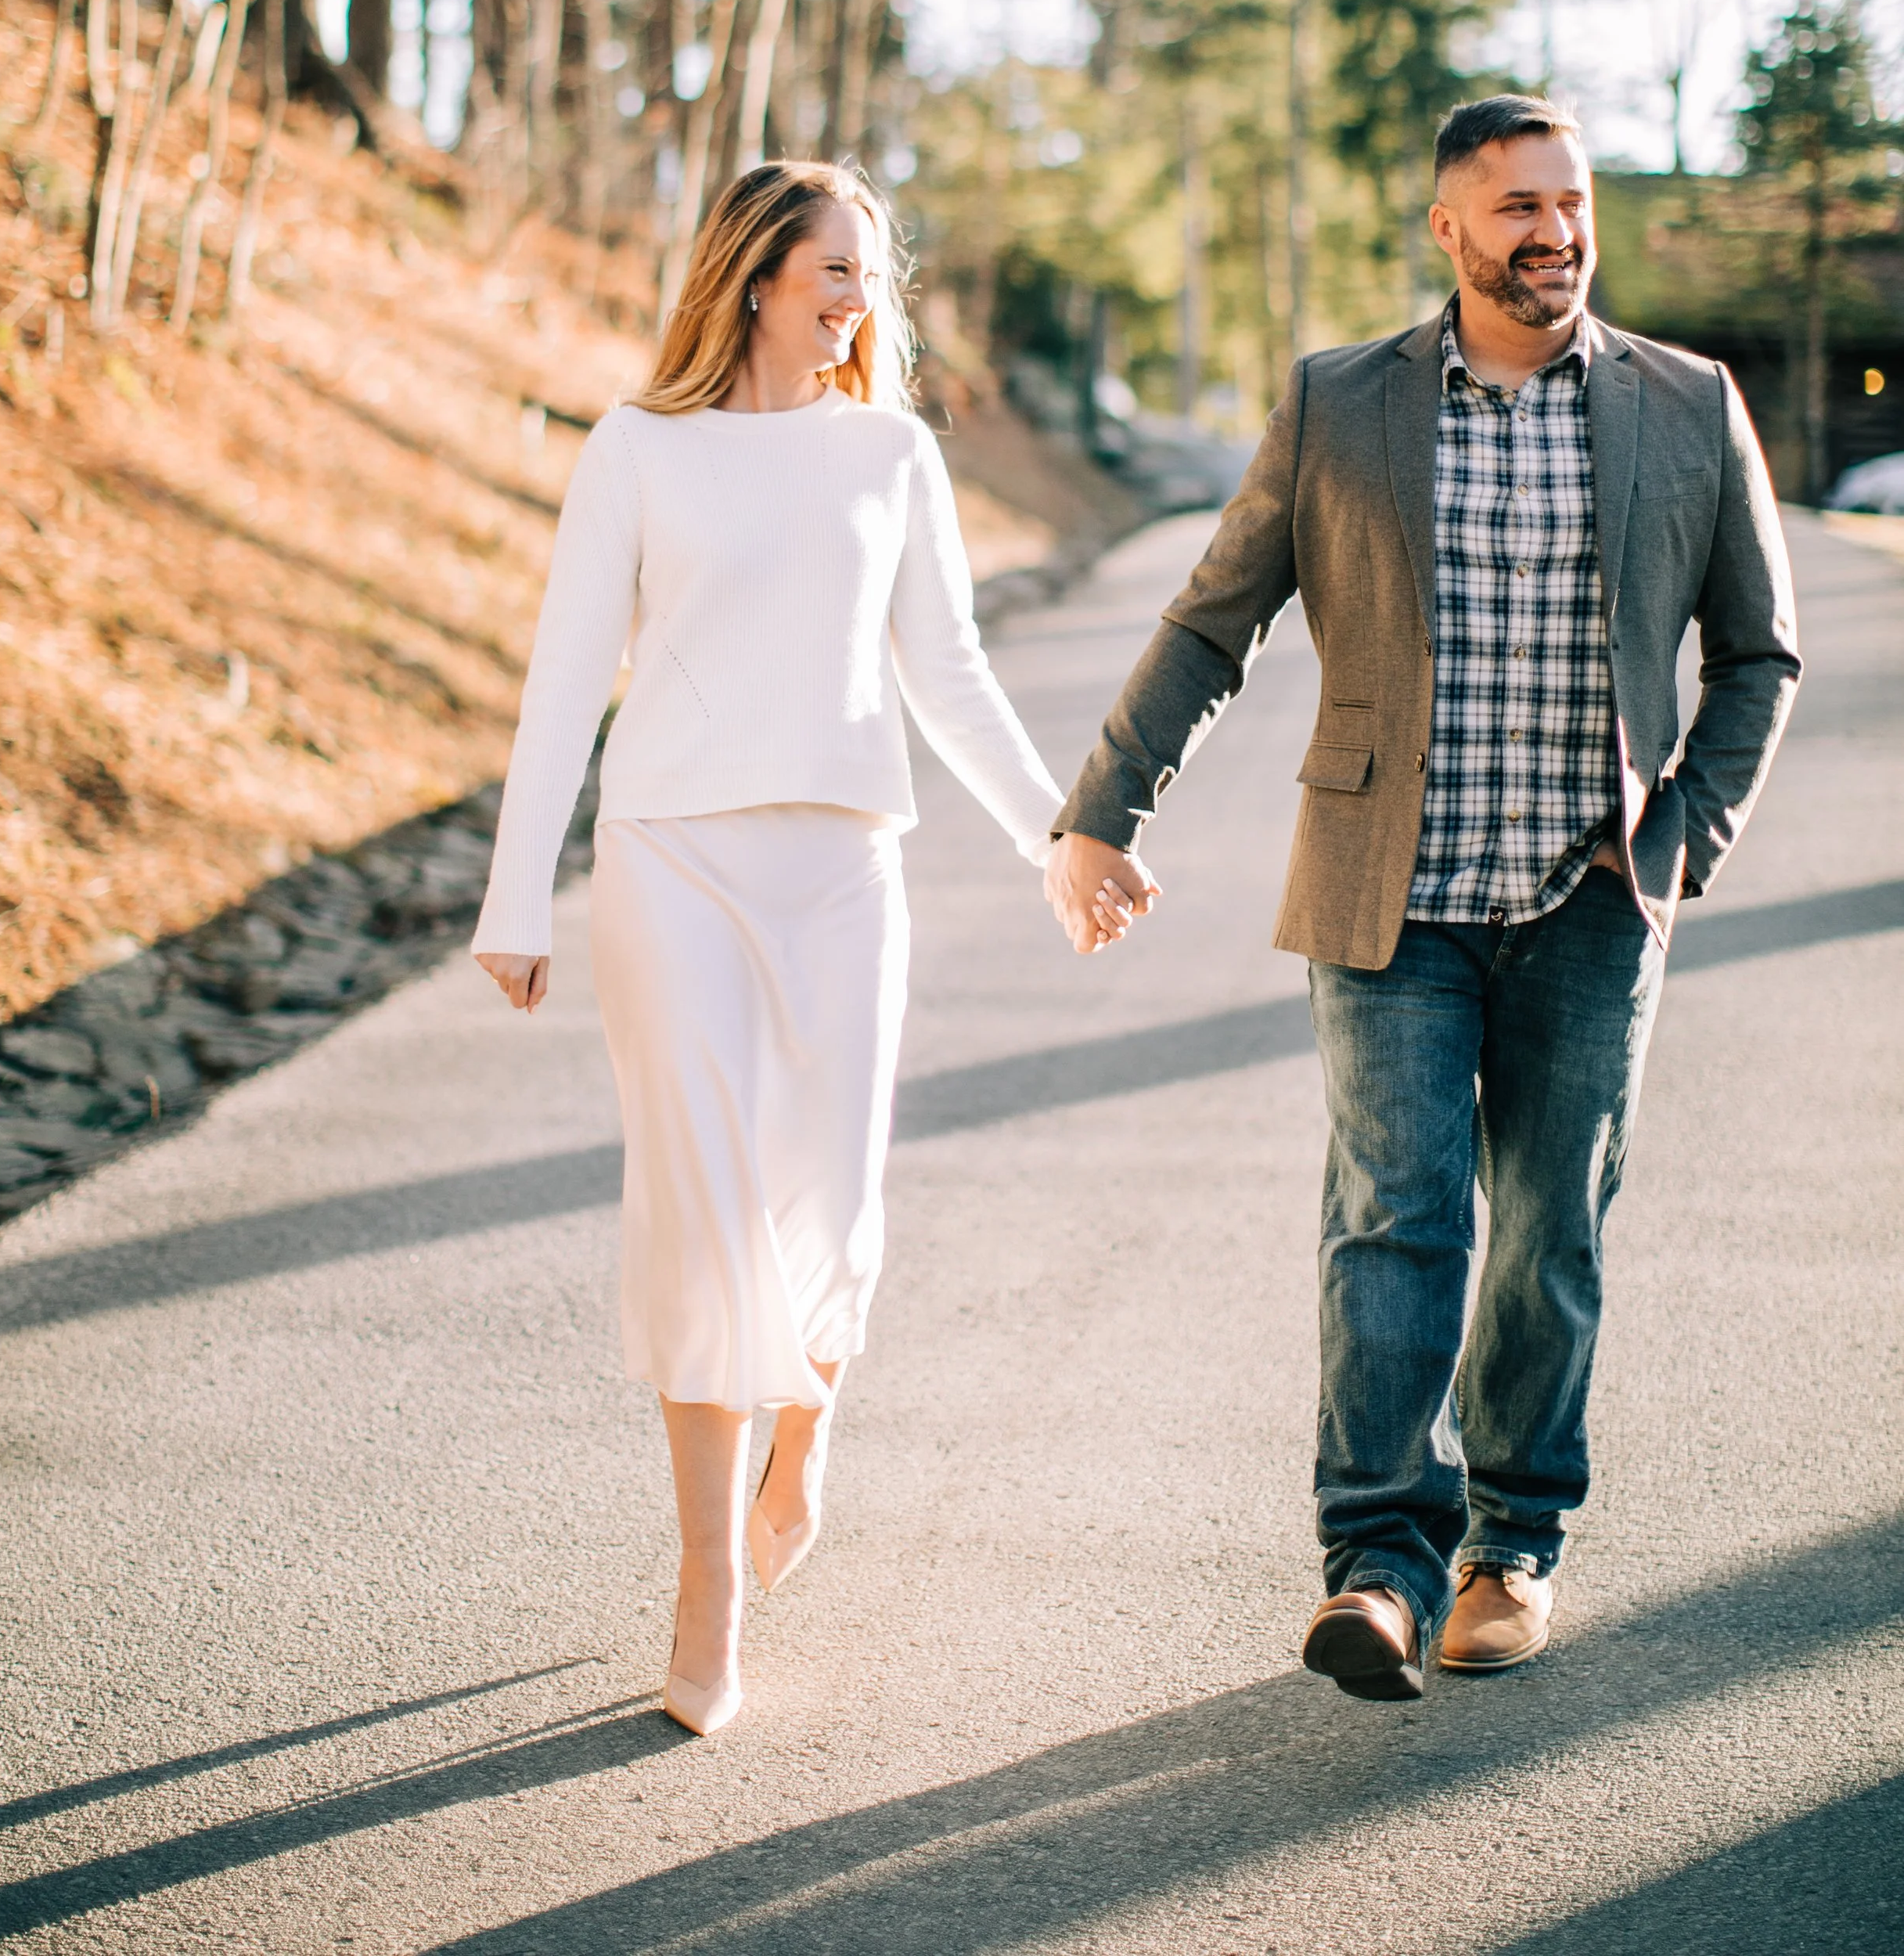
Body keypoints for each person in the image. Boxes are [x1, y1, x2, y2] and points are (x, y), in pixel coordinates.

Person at [1044, 95, 1800, 1700]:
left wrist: (1676, 841)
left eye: (1569, 199)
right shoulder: (1340, 405)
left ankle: (1510, 1539)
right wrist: (1100, 810)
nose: (1552, 231)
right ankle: (1376, 1566)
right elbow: (1209, 622)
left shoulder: (1683, 403)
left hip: (1588, 904)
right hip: (1385, 896)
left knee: (1546, 1231)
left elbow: (1756, 655)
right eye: (1514, 206)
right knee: (1393, 1223)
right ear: (1446, 230)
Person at [473, 160, 1063, 1737]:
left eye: (871, 273)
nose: (859, 296)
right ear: (753, 276)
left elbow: (946, 675)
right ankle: (707, 1587)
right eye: (835, 268)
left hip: (842, 871)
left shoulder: (891, 456)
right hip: (671, 866)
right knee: (701, 1214)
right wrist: (512, 896)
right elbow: (560, 686)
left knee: (828, 1201)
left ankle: (806, 1428)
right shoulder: (637, 452)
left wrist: (1056, 835)